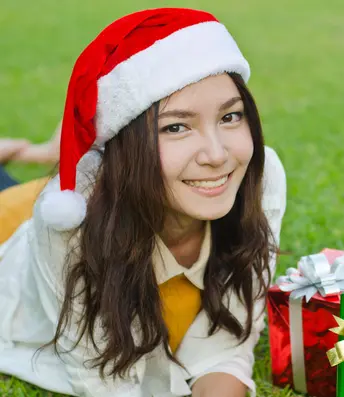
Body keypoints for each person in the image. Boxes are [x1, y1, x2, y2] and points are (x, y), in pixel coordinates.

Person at [0, 7, 286, 397]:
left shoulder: (259, 174)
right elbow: (103, 378)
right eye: (176, 126)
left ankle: (34, 152)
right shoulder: (69, 220)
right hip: (13, 226)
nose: (217, 155)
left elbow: (227, 348)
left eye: (231, 117)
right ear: (125, 147)